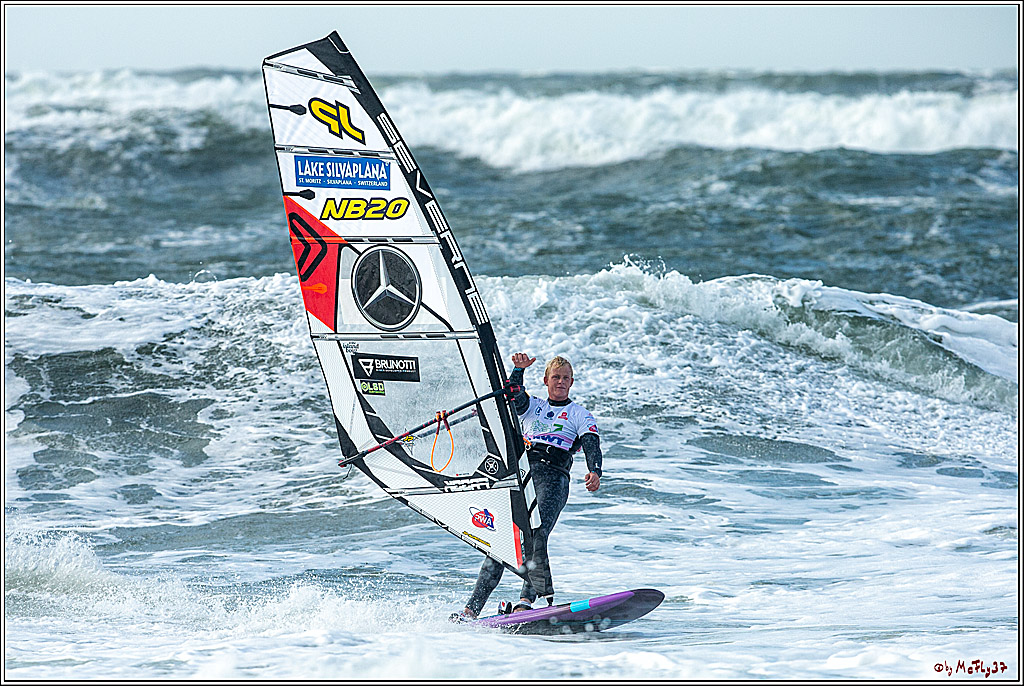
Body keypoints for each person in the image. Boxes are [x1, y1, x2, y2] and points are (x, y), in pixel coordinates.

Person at [451, 353, 603, 620]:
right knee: (502, 541)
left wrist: (595, 470)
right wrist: (518, 370)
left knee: (536, 535)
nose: (561, 382)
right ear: (546, 380)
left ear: (572, 382)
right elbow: (512, 395)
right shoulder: (533, 406)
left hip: (554, 477)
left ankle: (525, 602)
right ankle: (471, 609)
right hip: (523, 473)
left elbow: (591, 443)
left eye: (566, 378)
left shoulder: (580, 414)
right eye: (556, 377)